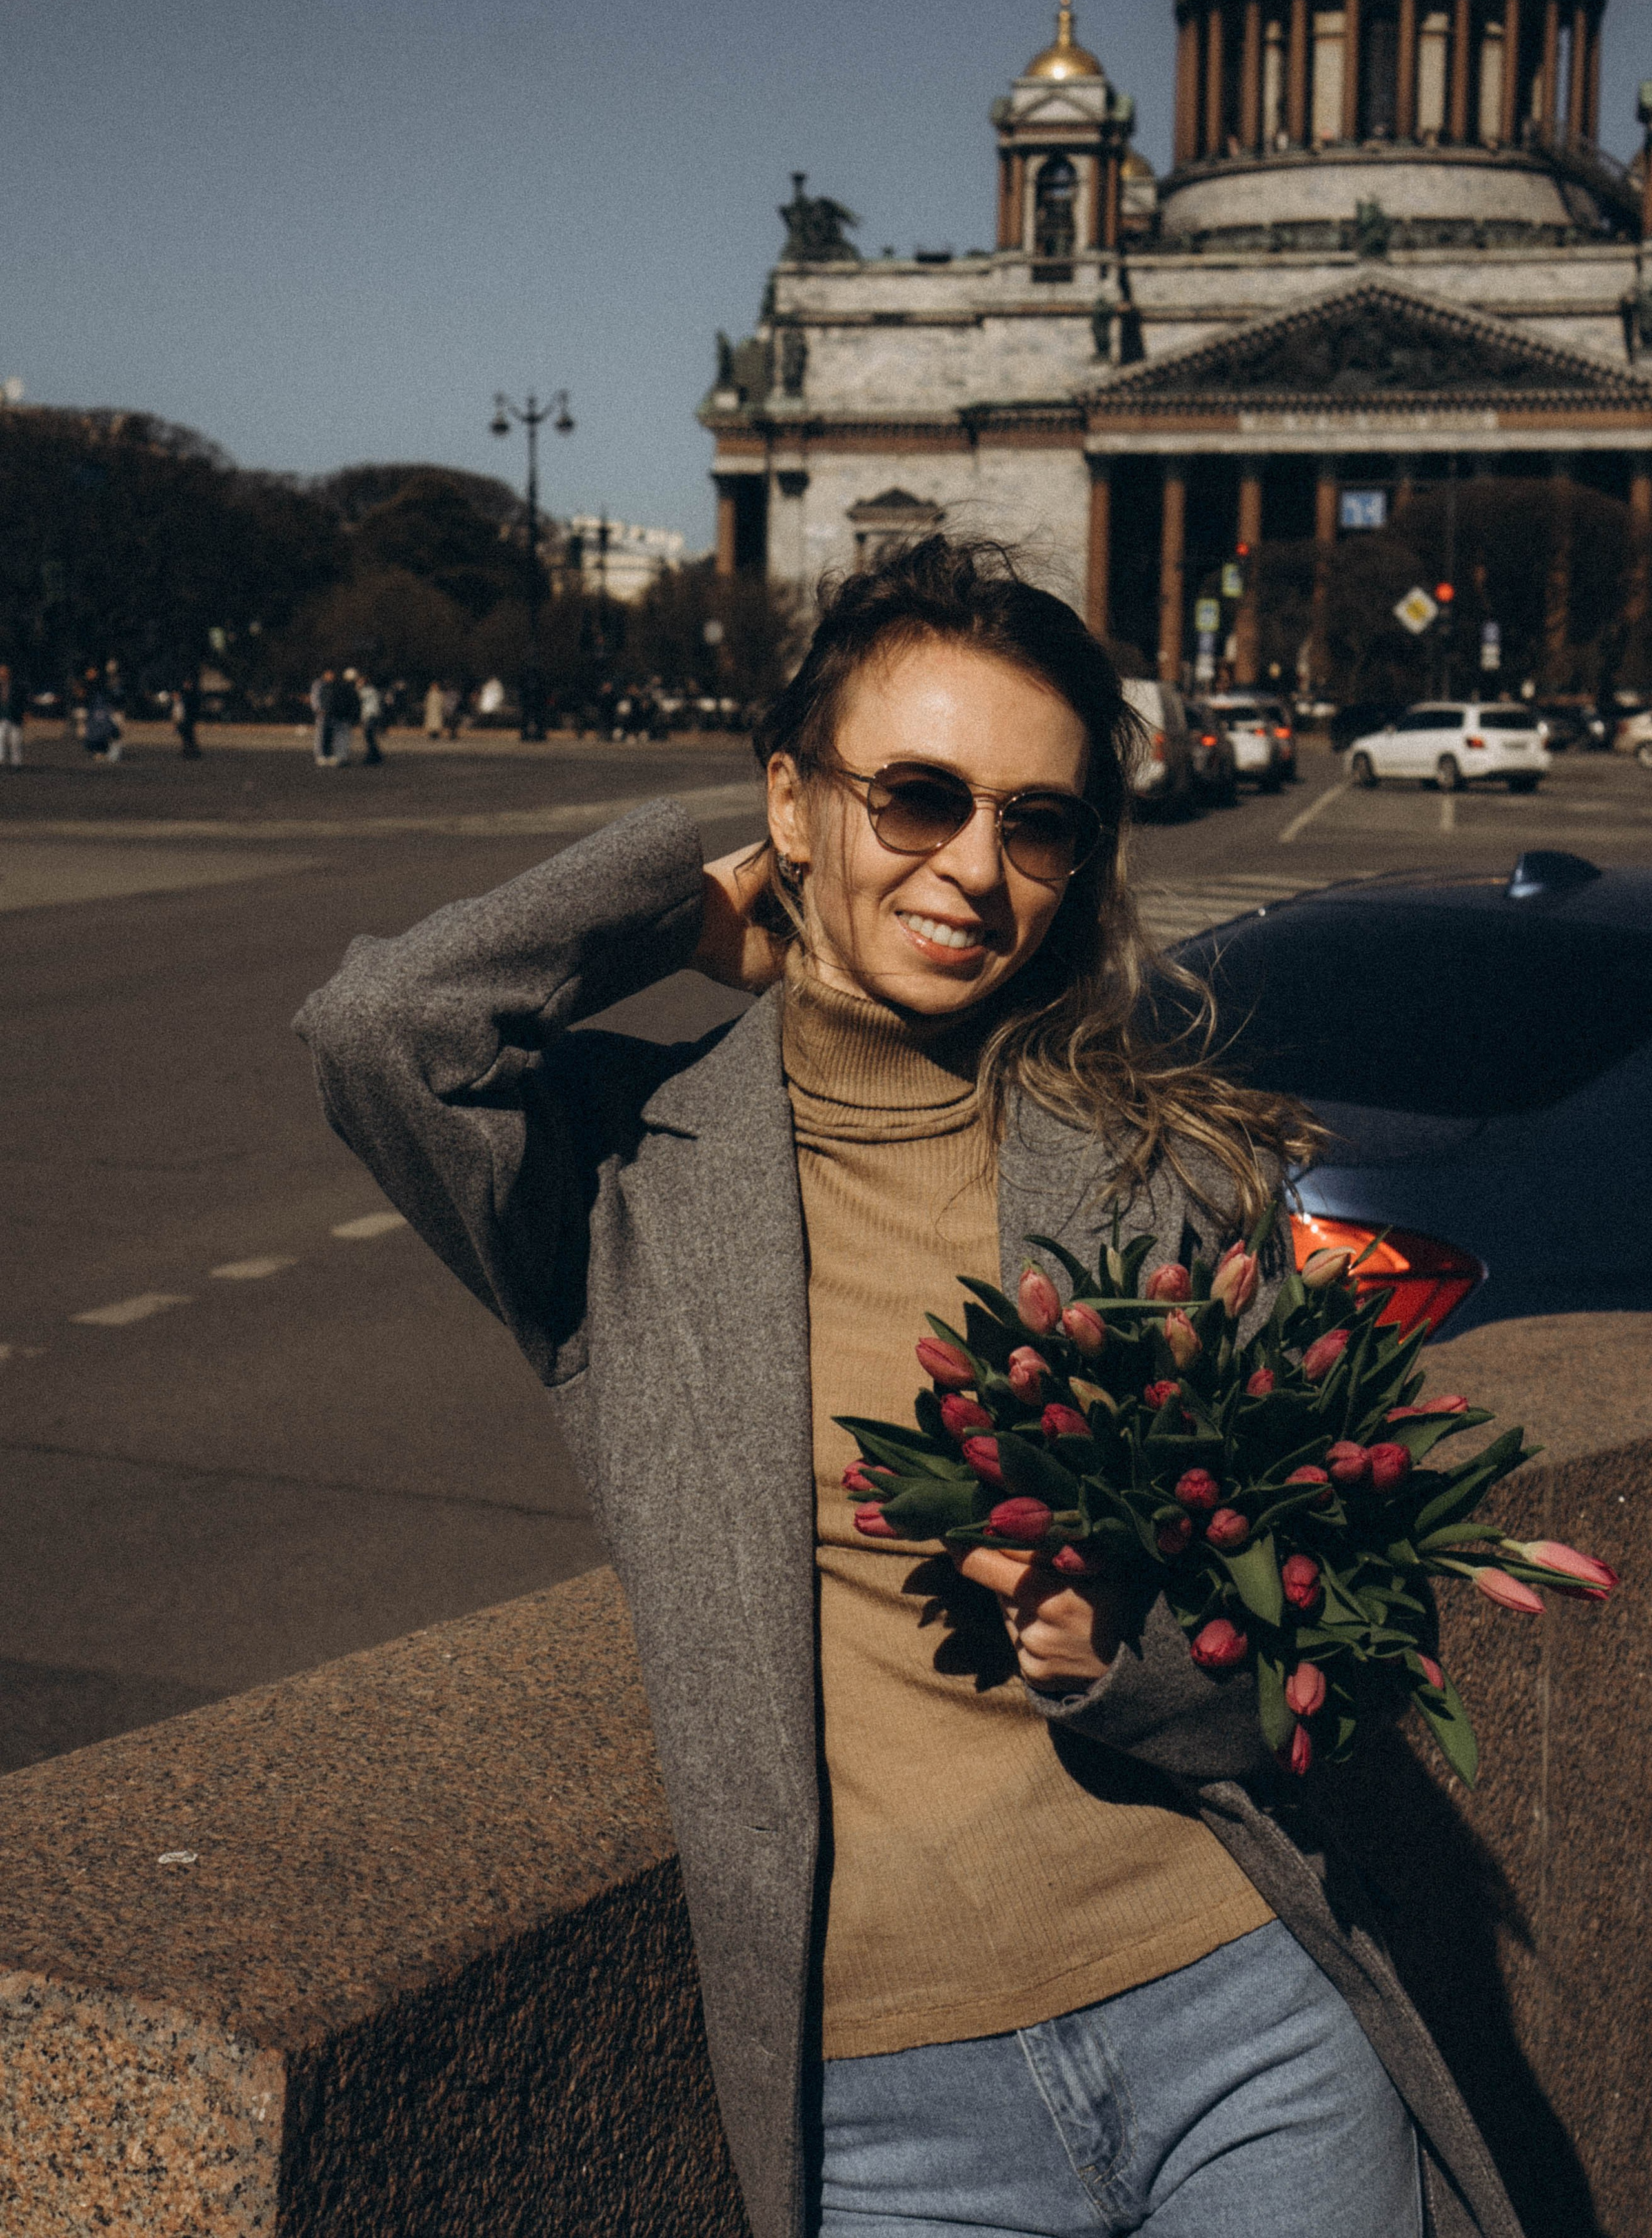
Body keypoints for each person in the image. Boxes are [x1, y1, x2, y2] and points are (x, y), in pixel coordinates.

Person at [296, 538, 1522, 2238]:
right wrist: (679, 889)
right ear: (794, 805)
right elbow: (379, 1031)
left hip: (1236, 2019)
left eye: (1038, 821)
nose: (972, 868)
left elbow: (1332, 1655)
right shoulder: (626, 1170)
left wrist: (1131, 1660)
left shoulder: (1157, 1165)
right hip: (888, 2111)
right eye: (917, 797)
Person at [0, 664, 25, 767]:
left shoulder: (16, 685)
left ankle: (16, 762)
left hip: (15, 716)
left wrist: (24, 713)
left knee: (15, 740)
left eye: (5, 672)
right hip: (2, 716)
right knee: (1, 738)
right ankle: (1, 759)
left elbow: (22, 701)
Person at [173, 674, 203, 759]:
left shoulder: (192, 695)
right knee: (186, 736)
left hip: (189, 719)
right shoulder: (184, 694)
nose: (187, 685)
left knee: (189, 736)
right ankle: (189, 751)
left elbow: (194, 707)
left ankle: (191, 752)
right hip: (184, 719)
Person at [358, 674, 385, 765]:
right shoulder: (374, 690)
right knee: (370, 737)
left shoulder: (365, 691)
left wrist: (358, 687)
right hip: (374, 714)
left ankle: (373, 756)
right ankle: (376, 755)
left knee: (369, 737)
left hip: (369, 715)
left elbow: (358, 697)